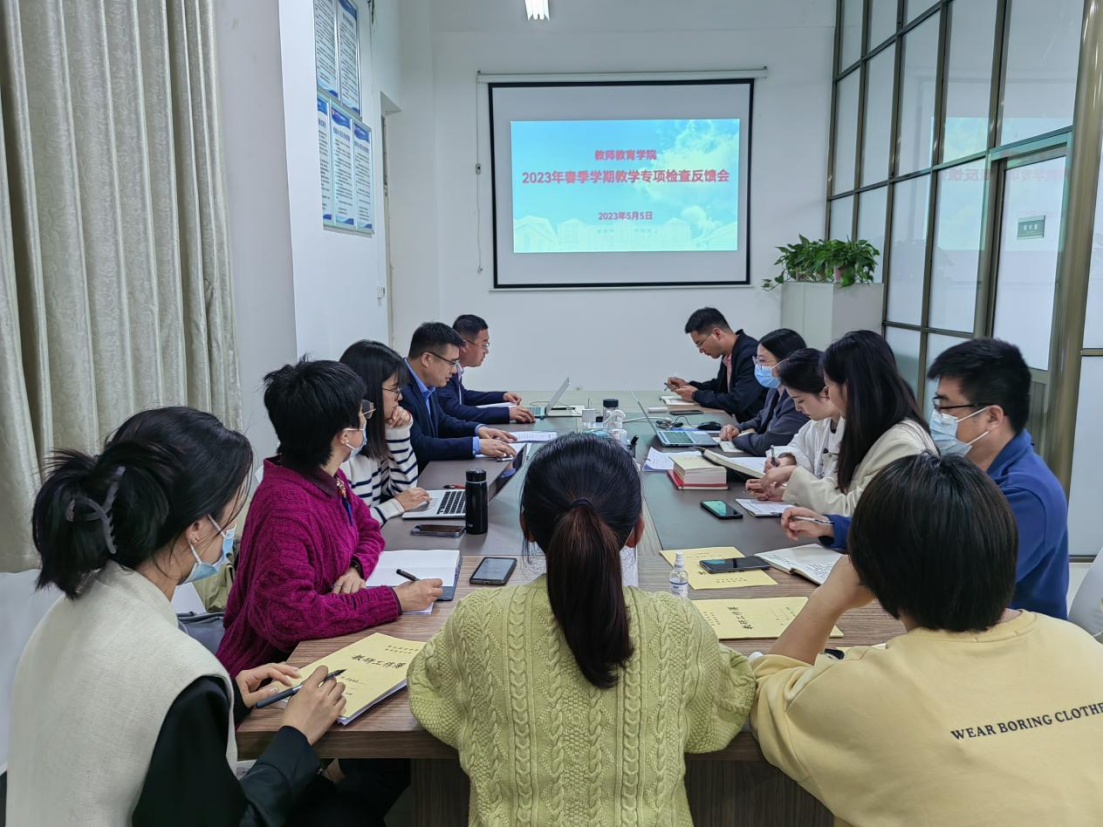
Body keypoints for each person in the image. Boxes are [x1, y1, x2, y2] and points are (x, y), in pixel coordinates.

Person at [7, 407, 356, 826]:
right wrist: (295, 737)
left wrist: (226, 704)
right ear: (197, 527)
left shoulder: (63, 614)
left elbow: (121, 731)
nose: (232, 533)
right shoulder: (181, 672)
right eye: (232, 514)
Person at [408, 433, 755, 826]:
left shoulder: (478, 619)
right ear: (637, 532)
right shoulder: (678, 624)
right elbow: (717, 717)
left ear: (526, 527)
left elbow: (431, 691)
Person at [753, 454, 1103, 827]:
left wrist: (827, 600)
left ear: (870, 572)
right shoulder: (1083, 647)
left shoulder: (860, 690)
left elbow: (763, 689)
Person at [782, 338, 1070, 619]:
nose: (937, 418)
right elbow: (909, 528)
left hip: (1002, 635)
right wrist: (833, 527)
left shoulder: (1026, 494)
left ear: (992, 418)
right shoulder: (966, 466)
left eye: (947, 408)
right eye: (937, 405)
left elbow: (964, 586)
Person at [217, 358, 442, 681]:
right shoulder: (286, 508)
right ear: (345, 435)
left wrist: (356, 567)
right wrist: (395, 599)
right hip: (269, 674)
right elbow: (291, 617)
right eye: (362, 410)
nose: (367, 415)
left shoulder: (326, 477)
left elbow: (369, 530)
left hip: (317, 649)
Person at [759, 330, 935, 515]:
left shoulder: (900, 444)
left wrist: (795, 477)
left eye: (829, 386)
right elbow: (838, 485)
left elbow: (855, 511)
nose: (827, 394)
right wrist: (791, 487)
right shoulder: (867, 426)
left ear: (850, 387)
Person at [339, 339, 432, 525]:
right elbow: (345, 528)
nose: (400, 397)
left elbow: (405, 491)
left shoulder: (370, 440)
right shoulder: (342, 449)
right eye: (394, 389)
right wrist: (395, 505)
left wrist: (398, 432)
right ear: (368, 391)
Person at [401, 322, 517, 470]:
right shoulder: (398, 389)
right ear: (427, 359)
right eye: (451, 363)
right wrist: (475, 445)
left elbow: (442, 420)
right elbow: (419, 445)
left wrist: (477, 429)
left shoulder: (427, 380)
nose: (455, 371)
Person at [717, 328, 809, 455]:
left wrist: (737, 438)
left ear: (786, 363)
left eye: (762, 361)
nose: (758, 366)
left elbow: (765, 444)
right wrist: (738, 428)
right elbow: (762, 417)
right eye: (757, 360)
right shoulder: (775, 389)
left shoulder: (798, 400)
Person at [665, 307, 764, 420]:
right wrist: (688, 386)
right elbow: (719, 387)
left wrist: (695, 395)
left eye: (700, 343)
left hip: (754, 427)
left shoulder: (750, 354)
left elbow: (737, 401)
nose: (700, 350)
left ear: (717, 333)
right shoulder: (730, 353)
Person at [436, 314, 535, 425]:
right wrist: (506, 413)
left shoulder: (455, 370)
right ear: (464, 345)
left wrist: (501, 396)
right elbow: (454, 411)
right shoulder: (445, 372)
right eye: (484, 345)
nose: (486, 351)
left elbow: (464, 396)